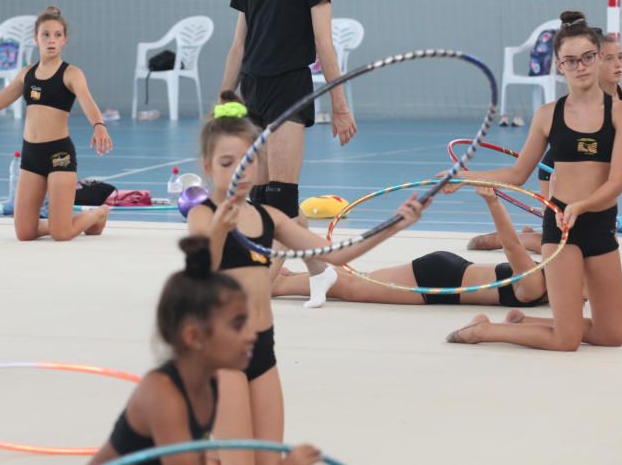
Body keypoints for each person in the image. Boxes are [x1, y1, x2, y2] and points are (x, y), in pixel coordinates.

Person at [189, 93, 426, 464]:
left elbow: (336, 255)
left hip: (261, 348)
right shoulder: (203, 216)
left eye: (247, 161)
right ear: (207, 166)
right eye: (226, 163)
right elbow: (201, 269)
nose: (238, 171)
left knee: (269, 461)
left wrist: (396, 225)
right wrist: (220, 228)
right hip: (221, 349)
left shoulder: (270, 218)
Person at [445, 11, 622, 351]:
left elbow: (616, 183)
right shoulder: (548, 115)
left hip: (599, 222)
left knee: (612, 336)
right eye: (571, 61)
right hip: (561, 227)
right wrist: (462, 176)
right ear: (559, 67)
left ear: (598, 58)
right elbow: (518, 174)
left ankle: (525, 320)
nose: (581, 66)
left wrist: (583, 205)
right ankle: (485, 331)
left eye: (588, 57)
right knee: (567, 341)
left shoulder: (621, 113)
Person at [219, 0, 357, 308]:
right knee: (259, 200)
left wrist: (339, 105)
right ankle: (321, 268)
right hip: (252, 90)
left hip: (290, 90)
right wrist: (225, 98)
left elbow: (324, 44)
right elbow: (239, 43)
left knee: (280, 196)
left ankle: (259, 282)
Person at [89, 236, 322, 465]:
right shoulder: (164, 396)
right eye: (237, 325)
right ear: (194, 337)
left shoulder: (205, 387)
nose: (252, 335)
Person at [469, 28, 622, 253]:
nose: (618, 64)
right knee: (559, 239)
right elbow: (520, 171)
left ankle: (527, 236)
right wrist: (462, 177)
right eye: (610, 58)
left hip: (597, 177)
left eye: (620, 57)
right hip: (556, 169)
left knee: (585, 236)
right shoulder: (574, 102)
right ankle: (504, 239)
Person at [0, 6, 113, 241]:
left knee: (61, 234)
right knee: (24, 233)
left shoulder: (71, 74)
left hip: (59, 154)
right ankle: (61, 223)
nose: (51, 40)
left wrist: (99, 125)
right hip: (31, 155)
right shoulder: (26, 74)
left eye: (57, 35)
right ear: (36, 38)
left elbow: (88, 102)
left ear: (64, 40)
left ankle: (99, 213)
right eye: (45, 34)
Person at [272, 186, 546, 308]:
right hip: (438, 280)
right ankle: (278, 283)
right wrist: (494, 203)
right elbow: (511, 245)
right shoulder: (535, 286)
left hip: (445, 274)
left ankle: (291, 276)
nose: (582, 299)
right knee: (352, 289)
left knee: (352, 282)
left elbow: (519, 243)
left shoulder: (540, 278)